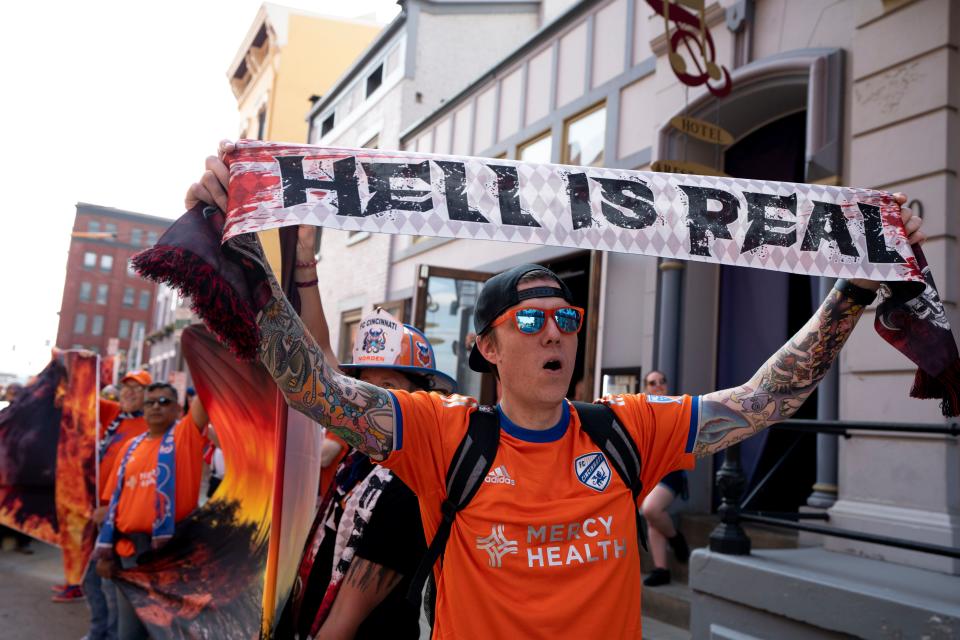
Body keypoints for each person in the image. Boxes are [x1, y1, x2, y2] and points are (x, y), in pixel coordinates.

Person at [188, 144, 924, 638]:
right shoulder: (443, 433)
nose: (554, 335)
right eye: (531, 320)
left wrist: (852, 293)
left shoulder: (626, 430)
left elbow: (764, 399)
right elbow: (317, 388)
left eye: (567, 319)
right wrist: (249, 253)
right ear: (485, 346)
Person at [94, 382, 209, 640]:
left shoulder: (186, 436)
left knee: (169, 633)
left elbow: (207, 392)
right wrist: (106, 553)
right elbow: (115, 506)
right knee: (129, 634)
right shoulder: (129, 448)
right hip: (129, 557)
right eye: (150, 402)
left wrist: (218, 345)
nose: (156, 406)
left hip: (170, 560)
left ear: (179, 410)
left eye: (164, 402)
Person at [639, 370, 690, 587]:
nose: (658, 385)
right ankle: (662, 569)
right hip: (650, 473)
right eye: (652, 383)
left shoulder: (677, 407)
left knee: (650, 509)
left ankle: (675, 537)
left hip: (671, 472)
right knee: (652, 518)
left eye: (661, 381)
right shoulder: (640, 411)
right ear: (646, 387)